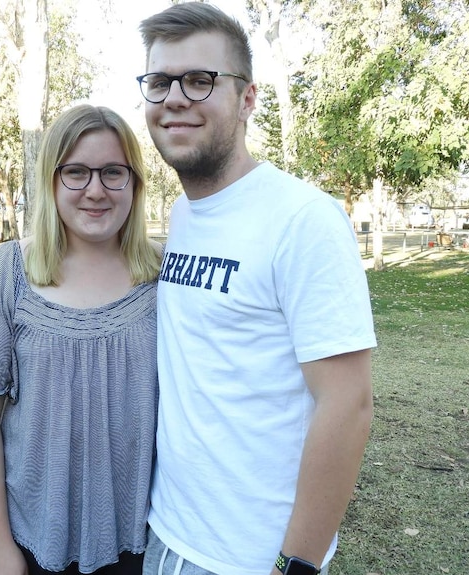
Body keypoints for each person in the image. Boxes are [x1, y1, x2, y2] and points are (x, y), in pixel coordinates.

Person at [135, 4, 377, 575]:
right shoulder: (185, 213)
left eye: (200, 81)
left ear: (247, 100)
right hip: (165, 531)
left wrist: (296, 564)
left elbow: (348, 404)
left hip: (245, 557)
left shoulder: (304, 219)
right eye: (160, 81)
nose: (174, 98)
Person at [0, 104, 162, 575]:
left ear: (136, 182)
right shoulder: (7, 273)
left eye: (112, 172)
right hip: (35, 540)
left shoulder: (168, 276)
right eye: (76, 173)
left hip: (149, 540)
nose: (95, 191)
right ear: (50, 180)